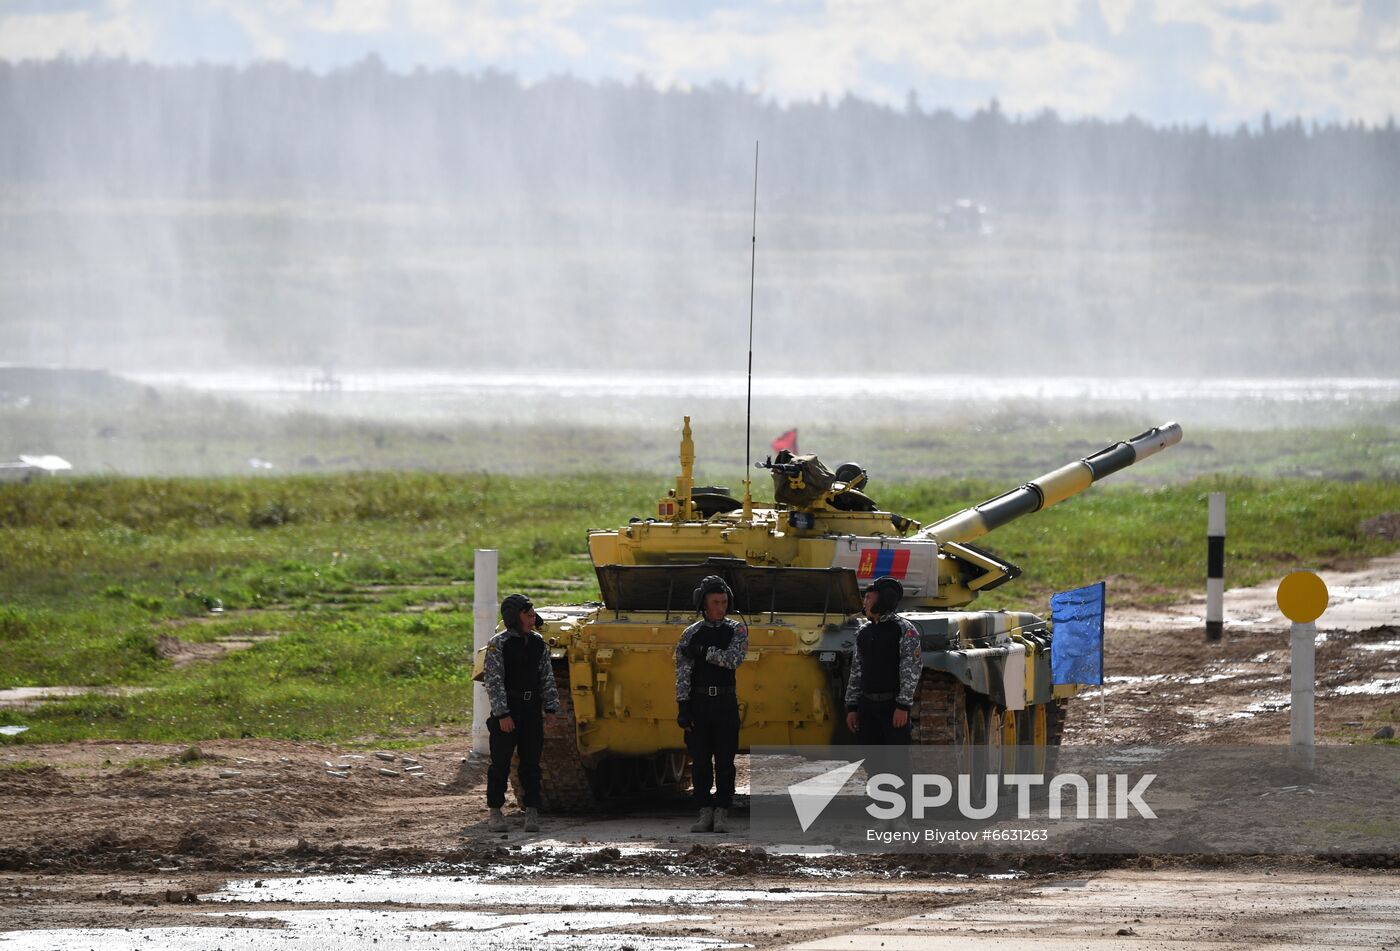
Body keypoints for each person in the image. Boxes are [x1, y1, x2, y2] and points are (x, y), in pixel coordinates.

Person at [675, 575, 748, 833]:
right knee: (701, 761)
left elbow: (734, 659)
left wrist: (705, 652)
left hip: (725, 702)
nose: (721, 607)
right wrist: (683, 706)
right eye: (716, 602)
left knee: (726, 762)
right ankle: (704, 810)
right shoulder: (691, 633)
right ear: (704, 605)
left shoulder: (736, 630)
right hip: (699, 702)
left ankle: (722, 811)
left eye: (724, 602)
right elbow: (683, 672)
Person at [482, 593, 560, 833]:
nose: (533, 617)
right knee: (501, 764)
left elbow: (546, 677)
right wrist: (503, 714)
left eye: (532, 614)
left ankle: (532, 812)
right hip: (509, 711)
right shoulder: (500, 644)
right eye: (528, 614)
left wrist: (551, 708)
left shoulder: (538, 643)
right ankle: (495, 811)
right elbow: (494, 682)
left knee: (531, 764)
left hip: (531, 710)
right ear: (515, 618)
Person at [845, 575, 920, 747]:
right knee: (873, 764)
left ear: (883, 600)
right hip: (867, 707)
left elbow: (911, 670)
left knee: (896, 764)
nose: (864, 602)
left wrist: (903, 706)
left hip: (892, 707)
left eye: (869, 598)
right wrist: (852, 707)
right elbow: (856, 671)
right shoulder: (864, 631)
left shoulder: (903, 630)